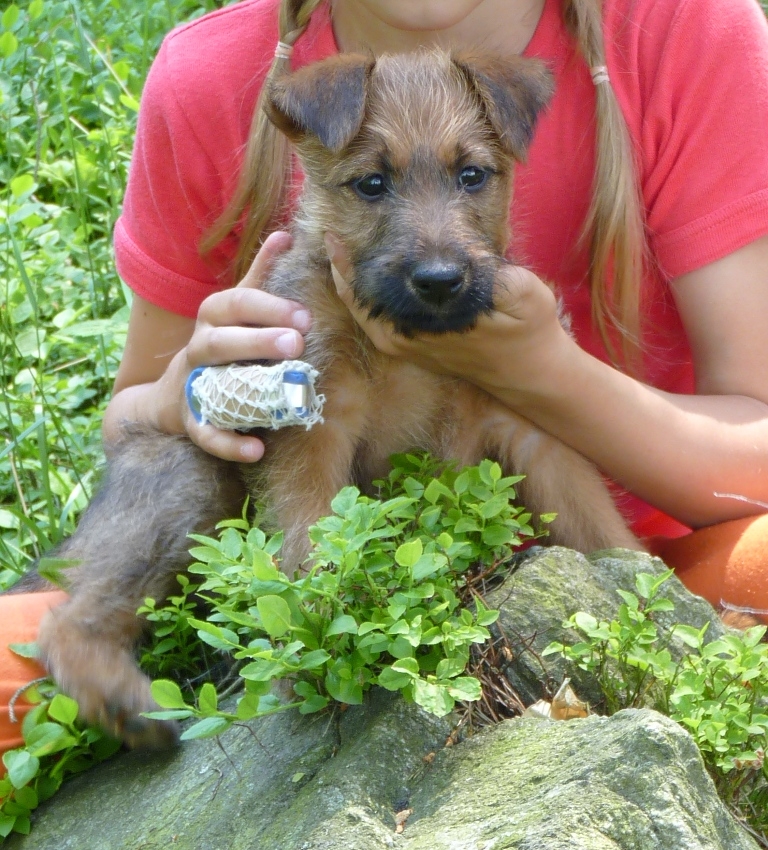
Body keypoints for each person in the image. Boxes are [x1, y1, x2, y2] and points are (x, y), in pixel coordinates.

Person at [4, 0, 768, 763]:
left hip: (533, 579)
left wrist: (546, 378)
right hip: (237, 576)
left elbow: (551, 451)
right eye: (371, 186)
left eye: (472, 177)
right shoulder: (219, 84)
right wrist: (186, 396)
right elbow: (162, 430)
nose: (435, 250)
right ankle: (91, 636)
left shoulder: (679, 30)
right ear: (314, 165)